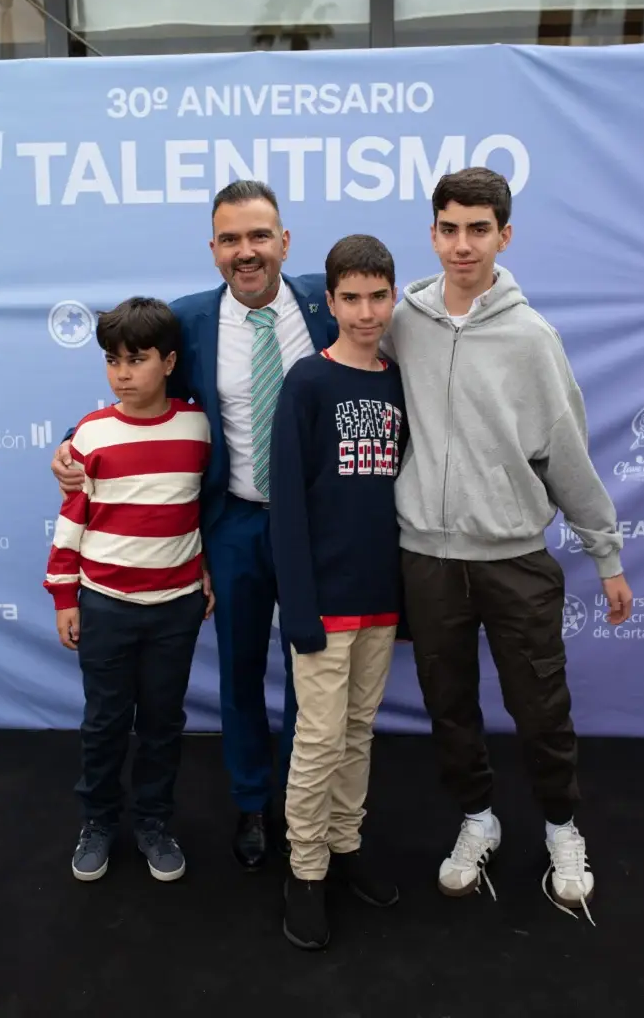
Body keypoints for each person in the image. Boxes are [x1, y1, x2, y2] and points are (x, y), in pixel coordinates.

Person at [50, 181, 337, 870]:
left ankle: (304, 805)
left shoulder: (327, 307)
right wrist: (69, 446)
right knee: (240, 672)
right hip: (234, 524)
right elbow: (136, 399)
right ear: (213, 250)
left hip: (315, 527)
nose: (247, 251)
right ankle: (252, 805)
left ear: (285, 242)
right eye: (231, 239)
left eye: (259, 236)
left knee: (315, 674)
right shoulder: (189, 322)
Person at [382, 167, 633, 924]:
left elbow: (566, 454)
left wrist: (606, 553)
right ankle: (478, 819)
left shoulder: (532, 337)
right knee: (449, 705)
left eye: (479, 229)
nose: (463, 244)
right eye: (449, 228)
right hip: (428, 558)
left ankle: (561, 828)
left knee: (540, 708)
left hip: (515, 559)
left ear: (504, 236)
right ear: (433, 234)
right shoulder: (402, 322)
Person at [44, 297, 214, 882]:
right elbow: (72, 522)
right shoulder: (90, 435)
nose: (122, 373)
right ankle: (97, 821)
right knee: (105, 722)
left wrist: (205, 568)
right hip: (105, 606)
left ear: (169, 362)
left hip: (176, 608)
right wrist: (65, 597)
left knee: (163, 724)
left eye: (136, 359)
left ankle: (153, 822)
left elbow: (205, 508)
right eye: (112, 360)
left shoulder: (198, 427)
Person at [269, 235, 406, 950]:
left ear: (393, 298)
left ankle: (346, 844)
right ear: (330, 302)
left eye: (377, 297)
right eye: (350, 298)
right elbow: (287, 504)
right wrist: (299, 605)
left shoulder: (397, 381)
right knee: (318, 739)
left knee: (358, 732)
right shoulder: (307, 382)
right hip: (324, 601)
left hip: (380, 595)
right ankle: (306, 869)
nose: (365, 312)